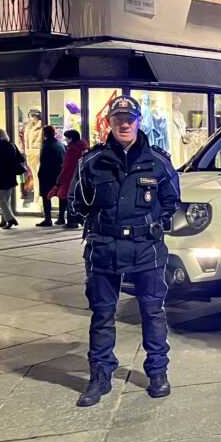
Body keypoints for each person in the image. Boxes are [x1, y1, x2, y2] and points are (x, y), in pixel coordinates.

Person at [69, 96, 180, 407]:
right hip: (104, 249)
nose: (125, 123)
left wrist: (152, 225)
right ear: (110, 122)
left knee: (152, 313)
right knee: (102, 315)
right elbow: (76, 202)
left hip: (146, 249)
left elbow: (171, 201)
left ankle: (158, 371)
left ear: (139, 120)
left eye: (130, 117)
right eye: (118, 118)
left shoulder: (158, 161)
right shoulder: (93, 162)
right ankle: (100, 375)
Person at [51, 129, 90, 228]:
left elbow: (67, 167)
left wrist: (60, 180)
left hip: (71, 178)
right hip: (83, 177)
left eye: (66, 138)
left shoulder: (71, 149)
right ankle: (78, 220)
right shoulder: (84, 148)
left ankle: (72, 221)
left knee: (69, 198)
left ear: (71, 138)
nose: (65, 140)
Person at [36, 125, 66, 227]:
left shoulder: (47, 146)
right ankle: (61, 217)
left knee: (46, 196)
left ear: (45, 134)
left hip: (47, 174)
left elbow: (43, 161)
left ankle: (48, 219)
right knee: (61, 196)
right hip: (59, 174)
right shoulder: (61, 145)